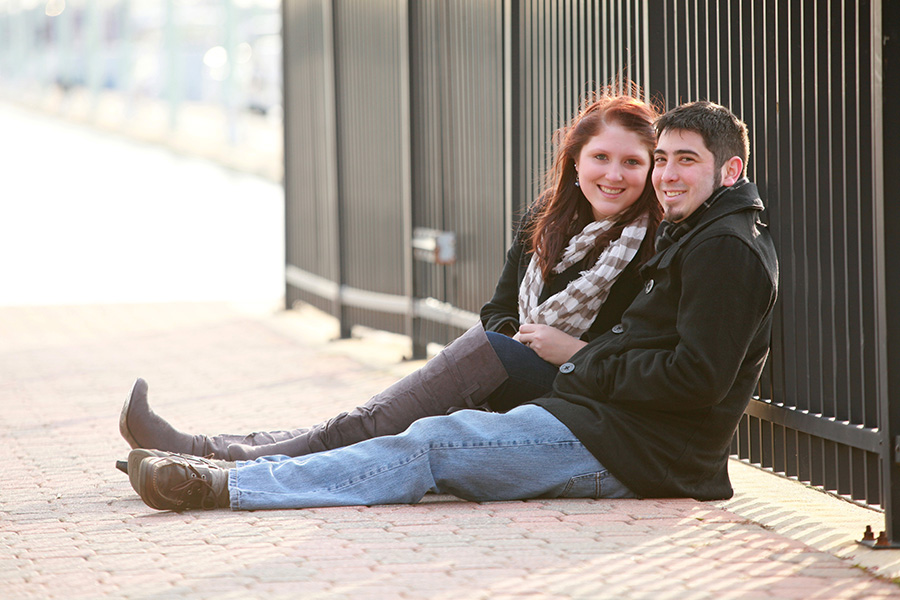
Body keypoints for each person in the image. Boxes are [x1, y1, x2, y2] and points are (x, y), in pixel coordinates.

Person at [125, 99, 779, 512]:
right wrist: (581, 365)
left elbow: (694, 381)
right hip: (607, 425)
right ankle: (209, 465)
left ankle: (221, 484)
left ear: (728, 170)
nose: (664, 174)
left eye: (681, 161)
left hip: (635, 452)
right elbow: (528, 318)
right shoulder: (698, 236)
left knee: (430, 444)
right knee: (418, 434)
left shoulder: (722, 248)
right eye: (662, 158)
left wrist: (579, 361)